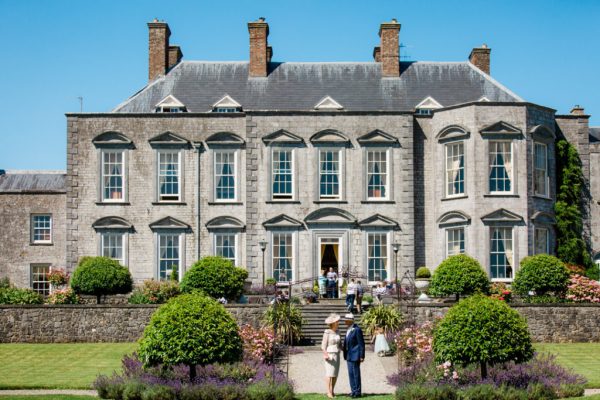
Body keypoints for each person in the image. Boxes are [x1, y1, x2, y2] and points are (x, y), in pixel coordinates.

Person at [343, 313, 365, 398]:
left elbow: (361, 343)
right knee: (350, 374)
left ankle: (358, 392)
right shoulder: (348, 329)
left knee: (356, 374)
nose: (344, 322)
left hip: (355, 355)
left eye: (346, 320)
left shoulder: (357, 329)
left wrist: (362, 356)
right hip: (348, 355)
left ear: (350, 321)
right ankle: (353, 391)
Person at [322, 313, 342, 399]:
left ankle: (332, 390)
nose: (338, 323)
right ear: (333, 323)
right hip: (329, 355)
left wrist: (347, 350)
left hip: (337, 354)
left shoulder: (338, 332)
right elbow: (323, 346)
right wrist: (325, 354)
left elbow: (340, 345)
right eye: (337, 322)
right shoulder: (327, 332)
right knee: (329, 374)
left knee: (335, 374)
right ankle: (328, 392)